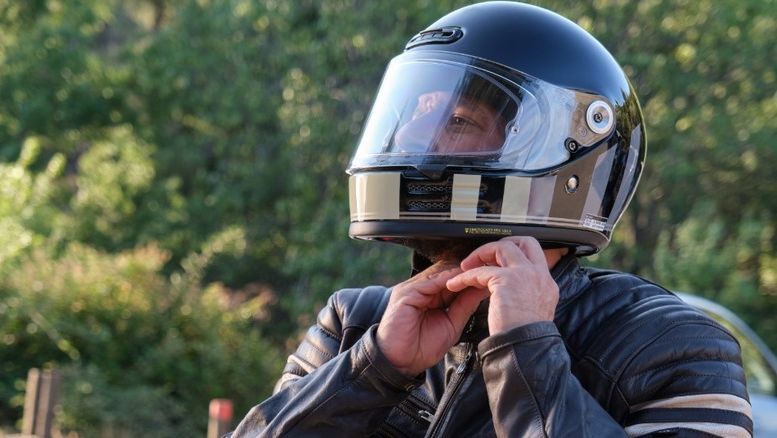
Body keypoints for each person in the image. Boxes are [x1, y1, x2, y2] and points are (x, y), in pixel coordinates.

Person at [228, 2, 753, 437]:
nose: (417, 144)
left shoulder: (670, 345)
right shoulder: (354, 324)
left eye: (457, 121)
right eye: (415, 118)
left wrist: (526, 351)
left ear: (567, 156)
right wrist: (375, 367)